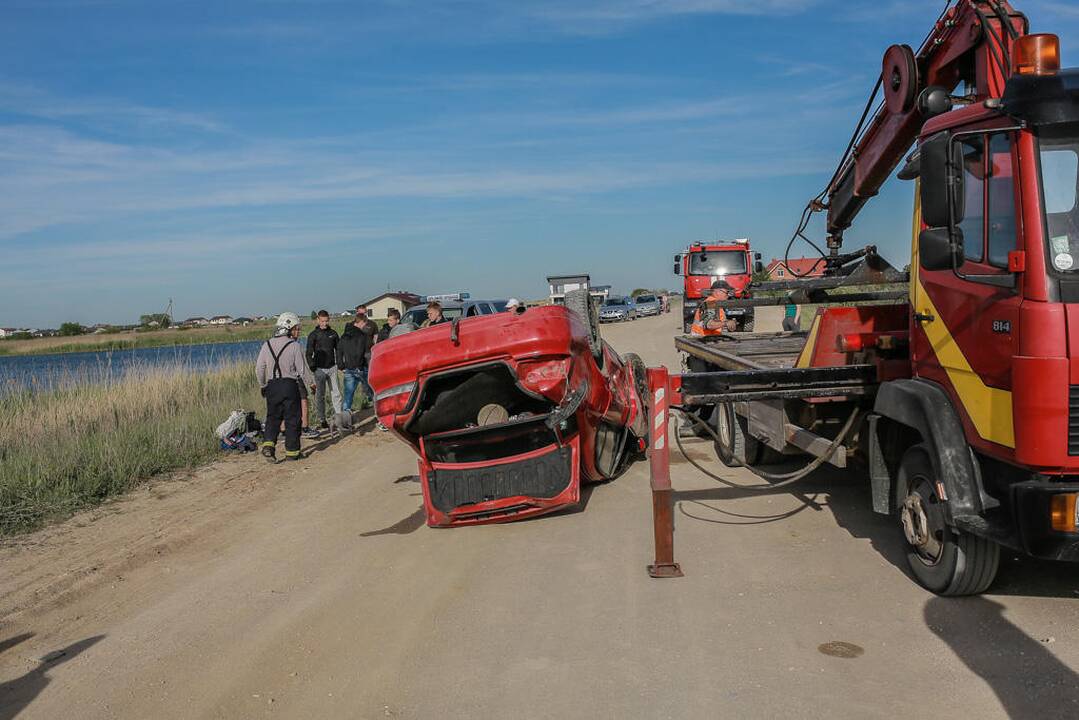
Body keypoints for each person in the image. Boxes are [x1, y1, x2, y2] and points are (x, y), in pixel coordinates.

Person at [256, 312, 315, 462]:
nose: (298, 332)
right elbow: (302, 370)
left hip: (272, 386)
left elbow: (259, 369)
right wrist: (311, 383)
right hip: (289, 386)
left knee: (272, 417)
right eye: (296, 328)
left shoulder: (266, 344)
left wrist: (263, 385)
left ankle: (268, 446)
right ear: (287, 328)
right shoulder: (294, 346)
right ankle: (292, 452)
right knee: (293, 419)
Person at [306, 310, 341, 431]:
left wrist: (340, 364)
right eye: (322, 321)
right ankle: (322, 420)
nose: (324, 323)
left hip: (332, 367)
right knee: (320, 396)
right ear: (317, 320)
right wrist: (313, 367)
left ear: (328, 320)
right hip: (319, 369)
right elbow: (308, 353)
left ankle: (339, 417)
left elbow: (339, 349)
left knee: (336, 393)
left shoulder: (333, 333)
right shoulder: (313, 335)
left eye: (326, 321)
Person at [338, 309, 375, 412]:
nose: (365, 326)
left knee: (348, 394)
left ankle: (346, 416)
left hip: (348, 368)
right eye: (364, 323)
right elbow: (361, 351)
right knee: (371, 391)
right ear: (360, 322)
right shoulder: (361, 336)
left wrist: (341, 366)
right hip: (360, 368)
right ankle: (379, 413)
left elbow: (339, 351)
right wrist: (359, 365)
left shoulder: (344, 336)